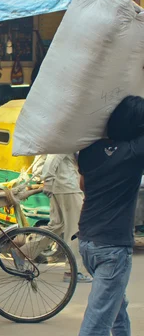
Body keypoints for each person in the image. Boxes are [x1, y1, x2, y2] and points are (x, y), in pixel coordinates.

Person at [77, 95, 144, 336]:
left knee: (116, 306)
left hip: (87, 242)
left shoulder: (88, 151)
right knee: (97, 323)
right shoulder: (135, 153)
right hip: (113, 248)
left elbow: (84, 185)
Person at [40, 154, 92, 282]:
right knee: (76, 229)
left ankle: (23, 252)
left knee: (56, 226)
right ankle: (72, 271)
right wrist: (47, 179)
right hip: (68, 187)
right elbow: (54, 155)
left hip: (61, 187)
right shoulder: (67, 135)